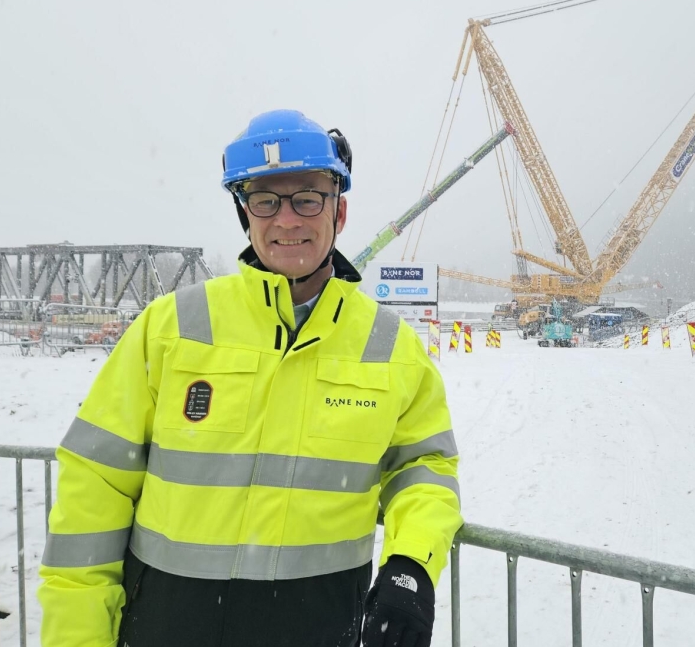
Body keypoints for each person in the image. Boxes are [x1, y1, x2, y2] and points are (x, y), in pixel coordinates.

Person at [38, 109, 463, 647]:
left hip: (317, 628)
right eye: (266, 200)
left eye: (307, 197)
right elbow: (95, 485)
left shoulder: (391, 347)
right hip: (165, 628)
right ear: (246, 213)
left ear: (340, 211)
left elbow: (424, 468)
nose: (287, 220)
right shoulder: (171, 328)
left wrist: (412, 565)